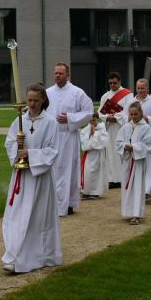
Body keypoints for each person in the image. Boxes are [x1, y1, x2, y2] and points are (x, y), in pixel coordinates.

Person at [2, 83, 62, 273]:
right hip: (21, 176)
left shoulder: (50, 123)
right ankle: (15, 253)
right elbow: (9, 143)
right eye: (29, 100)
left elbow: (52, 151)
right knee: (16, 216)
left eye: (36, 100)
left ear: (43, 99)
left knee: (36, 217)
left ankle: (39, 256)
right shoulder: (19, 121)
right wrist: (17, 146)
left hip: (39, 178)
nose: (32, 104)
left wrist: (30, 153)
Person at [46, 63, 94, 216]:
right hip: (52, 137)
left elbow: (89, 112)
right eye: (55, 73)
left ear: (67, 75)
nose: (57, 76)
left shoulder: (77, 93)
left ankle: (67, 204)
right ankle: (54, 203)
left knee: (68, 171)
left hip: (68, 136)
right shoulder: (47, 93)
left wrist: (70, 118)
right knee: (54, 170)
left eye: (60, 73)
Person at [116, 102, 151, 225]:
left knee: (137, 186)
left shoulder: (146, 128)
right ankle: (128, 211)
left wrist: (134, 147)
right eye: (131, 114)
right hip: (127, 161)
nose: (133, 116)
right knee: (127, 186)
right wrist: (124, 146)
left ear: (141, 113)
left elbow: (148, 145)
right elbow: (118, 142)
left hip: (138, 162)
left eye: (136, 114)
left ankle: (136, 214)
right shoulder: (125, 127)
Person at [99, 72, 135, 190]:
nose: (113, 85)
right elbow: (99, 113)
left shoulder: (128, 94)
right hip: (110, 127)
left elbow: (129, 110)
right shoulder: (105, 96)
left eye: (115, 83)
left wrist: (116, 117)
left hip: (121, 127)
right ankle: (113, 179)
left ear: (120, 82)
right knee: (111, 153)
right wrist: (107, 117)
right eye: (110, 83)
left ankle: (122, 177)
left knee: (121, 152)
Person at [133, 78, 151, 201]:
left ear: (147, 89)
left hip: (149, 138)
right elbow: (124, 117)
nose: (140, 90)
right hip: (135, 137)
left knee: (149, 164)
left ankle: (147, 191)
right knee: (136, 164)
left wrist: (146, 118)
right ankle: (137, 189)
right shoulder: (131, 102)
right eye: (138, 88)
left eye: (142, 88)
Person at [79, 112, 108, 199]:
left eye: (94, 119)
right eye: (90, 120)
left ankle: (95, 191)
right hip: (88, 155)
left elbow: (103, 143)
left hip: (98, 154)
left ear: (97, 119)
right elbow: (85, 145)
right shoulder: (84, 130)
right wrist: (91, 134)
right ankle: (86, 191)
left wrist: (95, 134)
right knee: (87, 173)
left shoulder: (102, 129)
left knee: (96, 173)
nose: (92, 122)